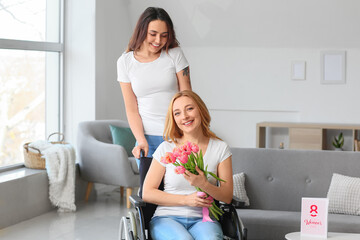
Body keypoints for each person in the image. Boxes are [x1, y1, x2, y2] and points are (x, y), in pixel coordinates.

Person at [143, 90, 233, 240]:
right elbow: (147, 193)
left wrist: (203, 184)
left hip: (203, 219)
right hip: (167, 218)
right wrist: (185, 200)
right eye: (177, 113)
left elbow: (227, 196)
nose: (184, 116)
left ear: (201, 110)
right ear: (173, 119)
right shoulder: (166, 148)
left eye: (189, 109)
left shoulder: (220, 148)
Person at [117, 7, 191, 164]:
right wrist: (140, 140)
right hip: (146, 140)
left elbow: (187, 97)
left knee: (177, 188)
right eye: (153, 34)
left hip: (176, 136)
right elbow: (131, 109)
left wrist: (188, 134)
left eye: (164, 36)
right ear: (142, 31)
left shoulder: (174, 54)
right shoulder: (125, 62)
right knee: (147, 188)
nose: (158, 41)